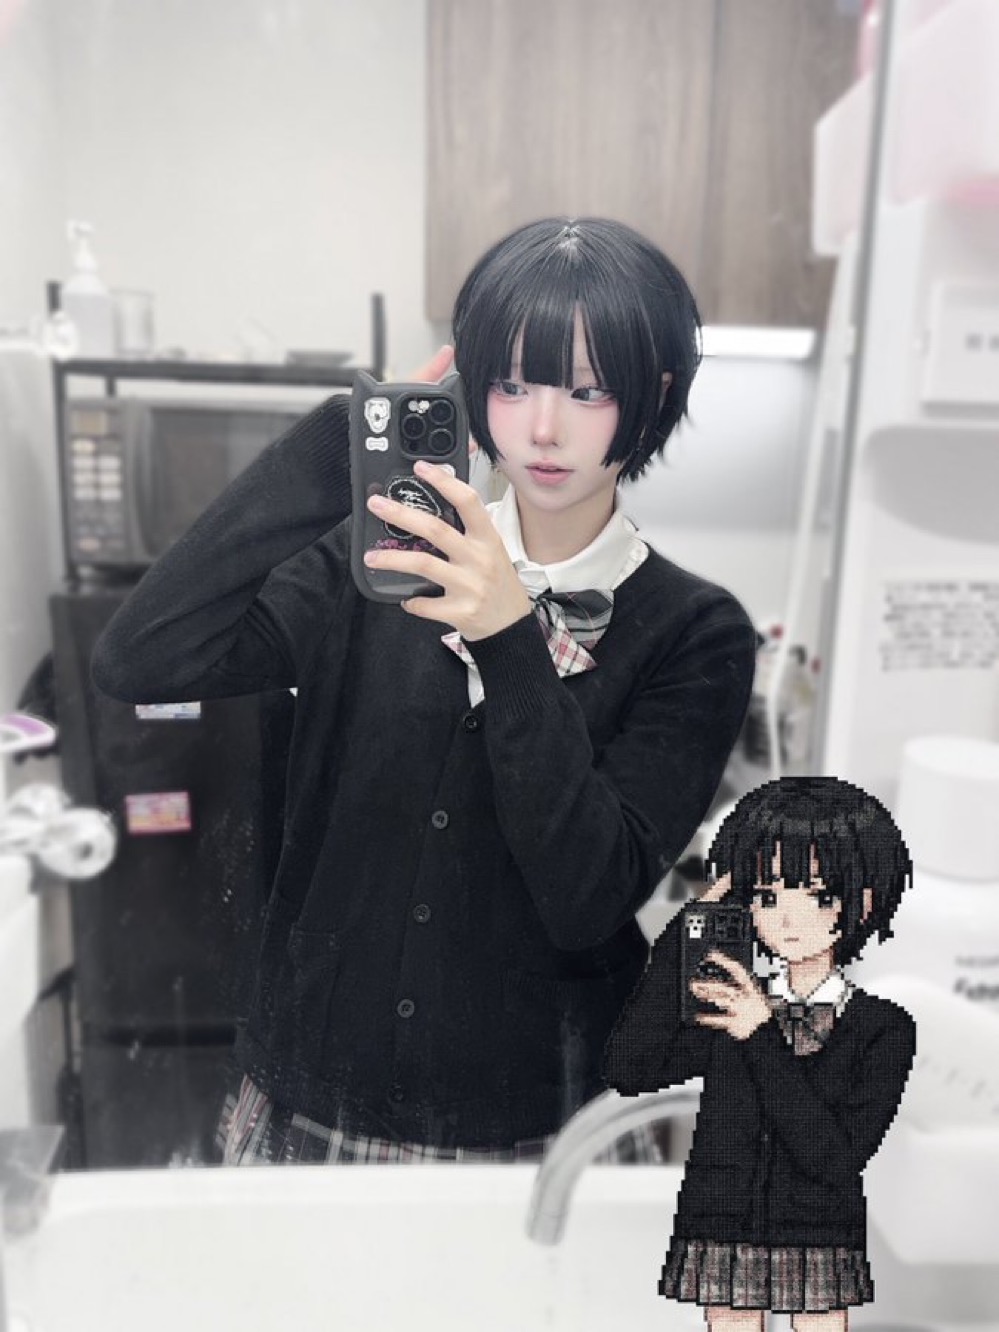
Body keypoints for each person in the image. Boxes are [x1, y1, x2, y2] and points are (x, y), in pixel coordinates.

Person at [91, 216, 757, 1164]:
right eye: (511, 384)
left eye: (588, 389)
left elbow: (588, 897)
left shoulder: (695, 632)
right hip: (311, 1101)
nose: (542, 428)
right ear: (471, 386)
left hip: (538, 1126)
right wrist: (343, 446)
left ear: (650, 394)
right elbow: (141, 658)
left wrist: (508, 640)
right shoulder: (369, 570)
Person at [603, 775, 917, 1330]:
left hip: (819, 1235)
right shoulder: (733, 1006)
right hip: (723, 1227)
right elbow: (629, 1068)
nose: (787, 919)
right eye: (767, 897)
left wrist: (759, 1034)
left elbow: (834, 1158)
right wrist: (684, 939)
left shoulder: (881, 1029)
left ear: (863, 902)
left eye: (817, 895)